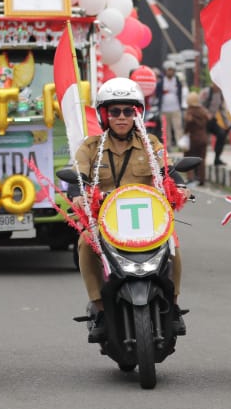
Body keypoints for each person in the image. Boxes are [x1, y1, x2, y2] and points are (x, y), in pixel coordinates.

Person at [71, 77, 183, 341]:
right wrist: (77, 194)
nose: (121, 117)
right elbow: (77, 175)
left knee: (174, 244)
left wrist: (181, 187)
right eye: (114, 111)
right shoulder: (91, 147)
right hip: (105, 220)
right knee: (86, 243)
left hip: (148, 219)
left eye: (128, 111)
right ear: (104, 115)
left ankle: (174, 305)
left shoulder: (151, 144)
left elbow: (169, 171)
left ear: (137, 114)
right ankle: (99, 308)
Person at [182, 91, 210, 185]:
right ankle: (202, 179)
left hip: (193, 139)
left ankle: (190, 177)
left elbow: (187, 126)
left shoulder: (189, 111)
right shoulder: (203, 110)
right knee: (202, 159)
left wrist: (184, 133)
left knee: (188, 157)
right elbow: (208, 119)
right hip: (203, 138)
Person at [154, 64, 185, 146]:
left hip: (176, 108)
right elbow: (157, 94)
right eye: (169, 70)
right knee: (165, 129)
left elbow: (180, 93)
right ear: (166, 71)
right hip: (164, 109)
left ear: (174, 71)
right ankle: (167, 145)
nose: (170, 72)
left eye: (172, 70)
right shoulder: (161, 82)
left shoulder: (177, 81)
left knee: (178, 127)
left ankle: (180, 144)